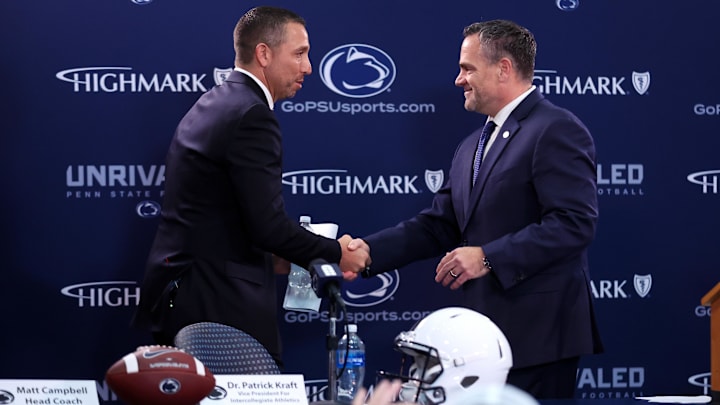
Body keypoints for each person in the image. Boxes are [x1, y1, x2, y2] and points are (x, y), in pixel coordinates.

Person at [348, 19, 603, 399]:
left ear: (504, 68)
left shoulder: (556, 129)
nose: (458, 79)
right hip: (482, 342)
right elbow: (439, 225)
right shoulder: (471, 145)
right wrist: (367, 253)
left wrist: (487, 257)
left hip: (540, 339)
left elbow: (574, 223)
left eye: (467, 68)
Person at [131, 6, 369, 368]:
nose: (308, 67)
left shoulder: (216, 103)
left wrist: (282, 257)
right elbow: (267, 226)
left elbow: (221, 214)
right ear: (264, 53)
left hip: (187, 298)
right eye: (300, 53)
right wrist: (336, 253)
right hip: (217, 310)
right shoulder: (252, 115)